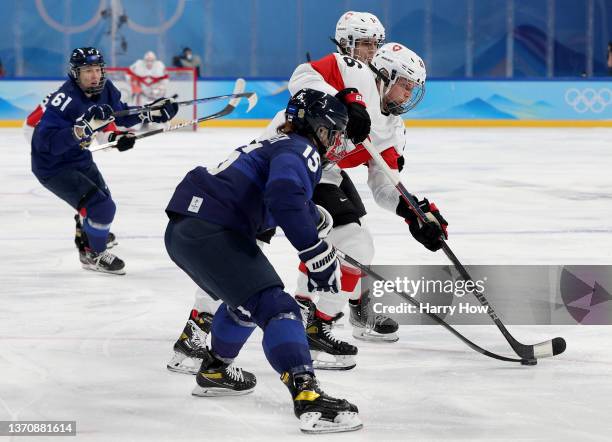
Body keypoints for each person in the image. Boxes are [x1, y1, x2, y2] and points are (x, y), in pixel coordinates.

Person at [164, 88, 362, 433]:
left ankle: (216, 370)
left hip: (186, 230)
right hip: (211, 230)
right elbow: (284, 192)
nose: (336, 142)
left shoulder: (275, 145)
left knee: (244, 305)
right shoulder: (300, 148)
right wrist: (313, 251)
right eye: (333, 132)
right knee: (278, 307)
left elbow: (267, 193)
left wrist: (305, 212)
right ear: (315, 128)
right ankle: (307, 396)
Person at [258, 33, 448, 369]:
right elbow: (301, 78)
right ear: (385, 75)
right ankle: (199, 332)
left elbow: (384, 185)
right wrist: (347, 99)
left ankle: (318, 322)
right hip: (282, 155)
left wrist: (414, 212)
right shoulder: (354, 71)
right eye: (405, 84)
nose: (408, 94)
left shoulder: (393, 129)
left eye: (412, 88)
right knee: (244, 245)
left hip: (322, 172)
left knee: (357, 244)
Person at [29, 47, 179, 274]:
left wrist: (151, 113)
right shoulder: (64, 100)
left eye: (97, 69)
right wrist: (81, 131)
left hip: (79, 157)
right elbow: (46, 144)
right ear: (75, 73)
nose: (95, 75)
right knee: (102, 207)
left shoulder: (106, 88)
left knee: (101, 203)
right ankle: (94, 255)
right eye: (87, 70)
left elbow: (121, 114)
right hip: (52, 166)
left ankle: (89, 237)